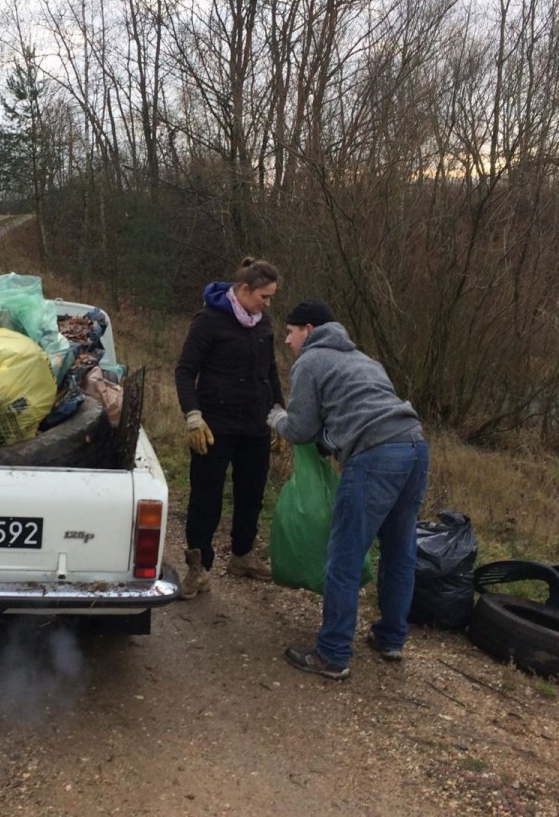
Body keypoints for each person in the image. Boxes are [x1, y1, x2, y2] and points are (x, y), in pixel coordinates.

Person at [267, 299, 429, 679]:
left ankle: (333, 654)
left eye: (289, 333)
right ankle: (391, 638)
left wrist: (274, 417)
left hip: (374, 456)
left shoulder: (310, 360)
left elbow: (301, 428)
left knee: (344, 553)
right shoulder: (365, 360)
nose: (287, 341)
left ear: (308, 330)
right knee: (399, 549)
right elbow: (353, 413)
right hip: (416, 447)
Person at [174, 258, 284, 600]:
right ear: (245, 289)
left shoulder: (263, 324)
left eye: (270, 299)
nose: (267, 304)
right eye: (263, 297)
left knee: (251, 492)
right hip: (214, 426)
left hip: (255, 425)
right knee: (206, 496)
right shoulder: (209, 321)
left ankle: (242, 555)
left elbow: (271, 372)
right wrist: (193, 414)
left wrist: (280, 414)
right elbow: (184, 370)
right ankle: (198, 566)